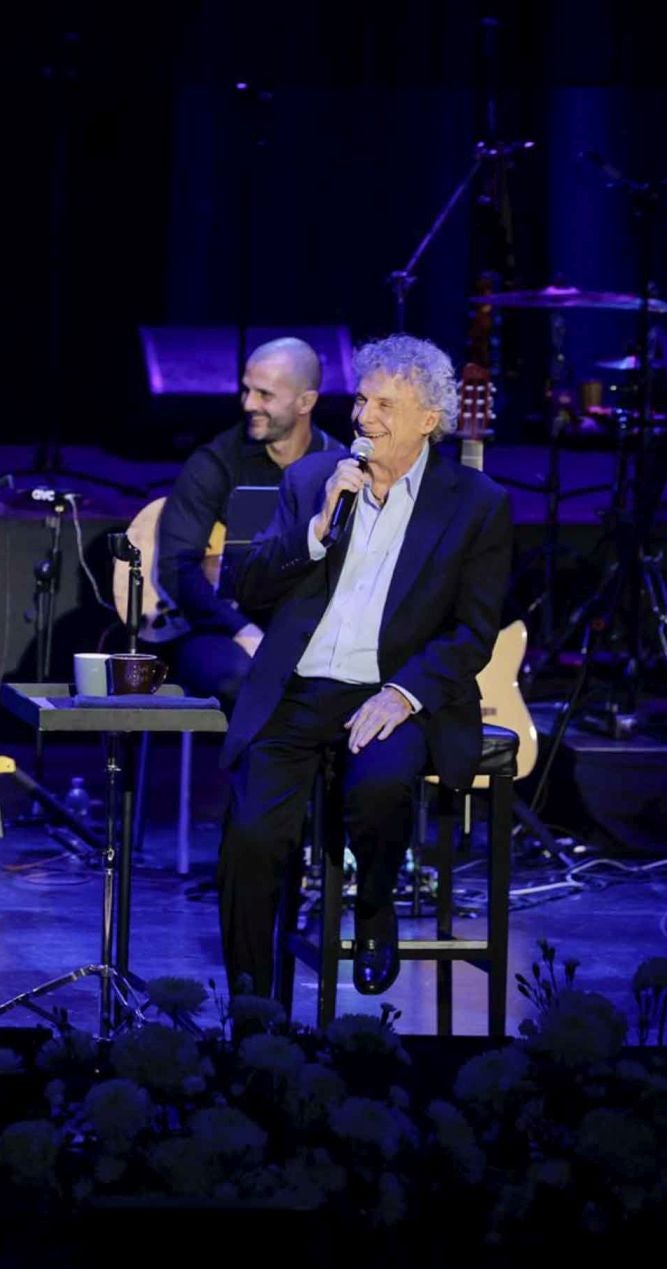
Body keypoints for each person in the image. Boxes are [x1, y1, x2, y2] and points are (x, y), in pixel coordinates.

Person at [215, 334, 512, 1002]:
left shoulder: (476, 503)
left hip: (391, 690)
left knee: (378, 789)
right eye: (361, 400)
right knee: (251, 835)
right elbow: (247, 585)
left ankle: (376, 903)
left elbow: (473, 631)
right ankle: (250, 1003)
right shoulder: (312, 480)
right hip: (299, 689)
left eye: (384, 405)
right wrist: (318, 529)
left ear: (428, 420)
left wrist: (405, 693)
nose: (363, 417)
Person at [156, 337, 343, 705]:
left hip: (311, 631)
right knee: (245, 679)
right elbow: (176, 566)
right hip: (224, 629)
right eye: (246, 390)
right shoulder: (216, 462)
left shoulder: (339, 464)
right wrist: (242, 630)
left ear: (305, 402)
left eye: (264, 395)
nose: (248, 404)